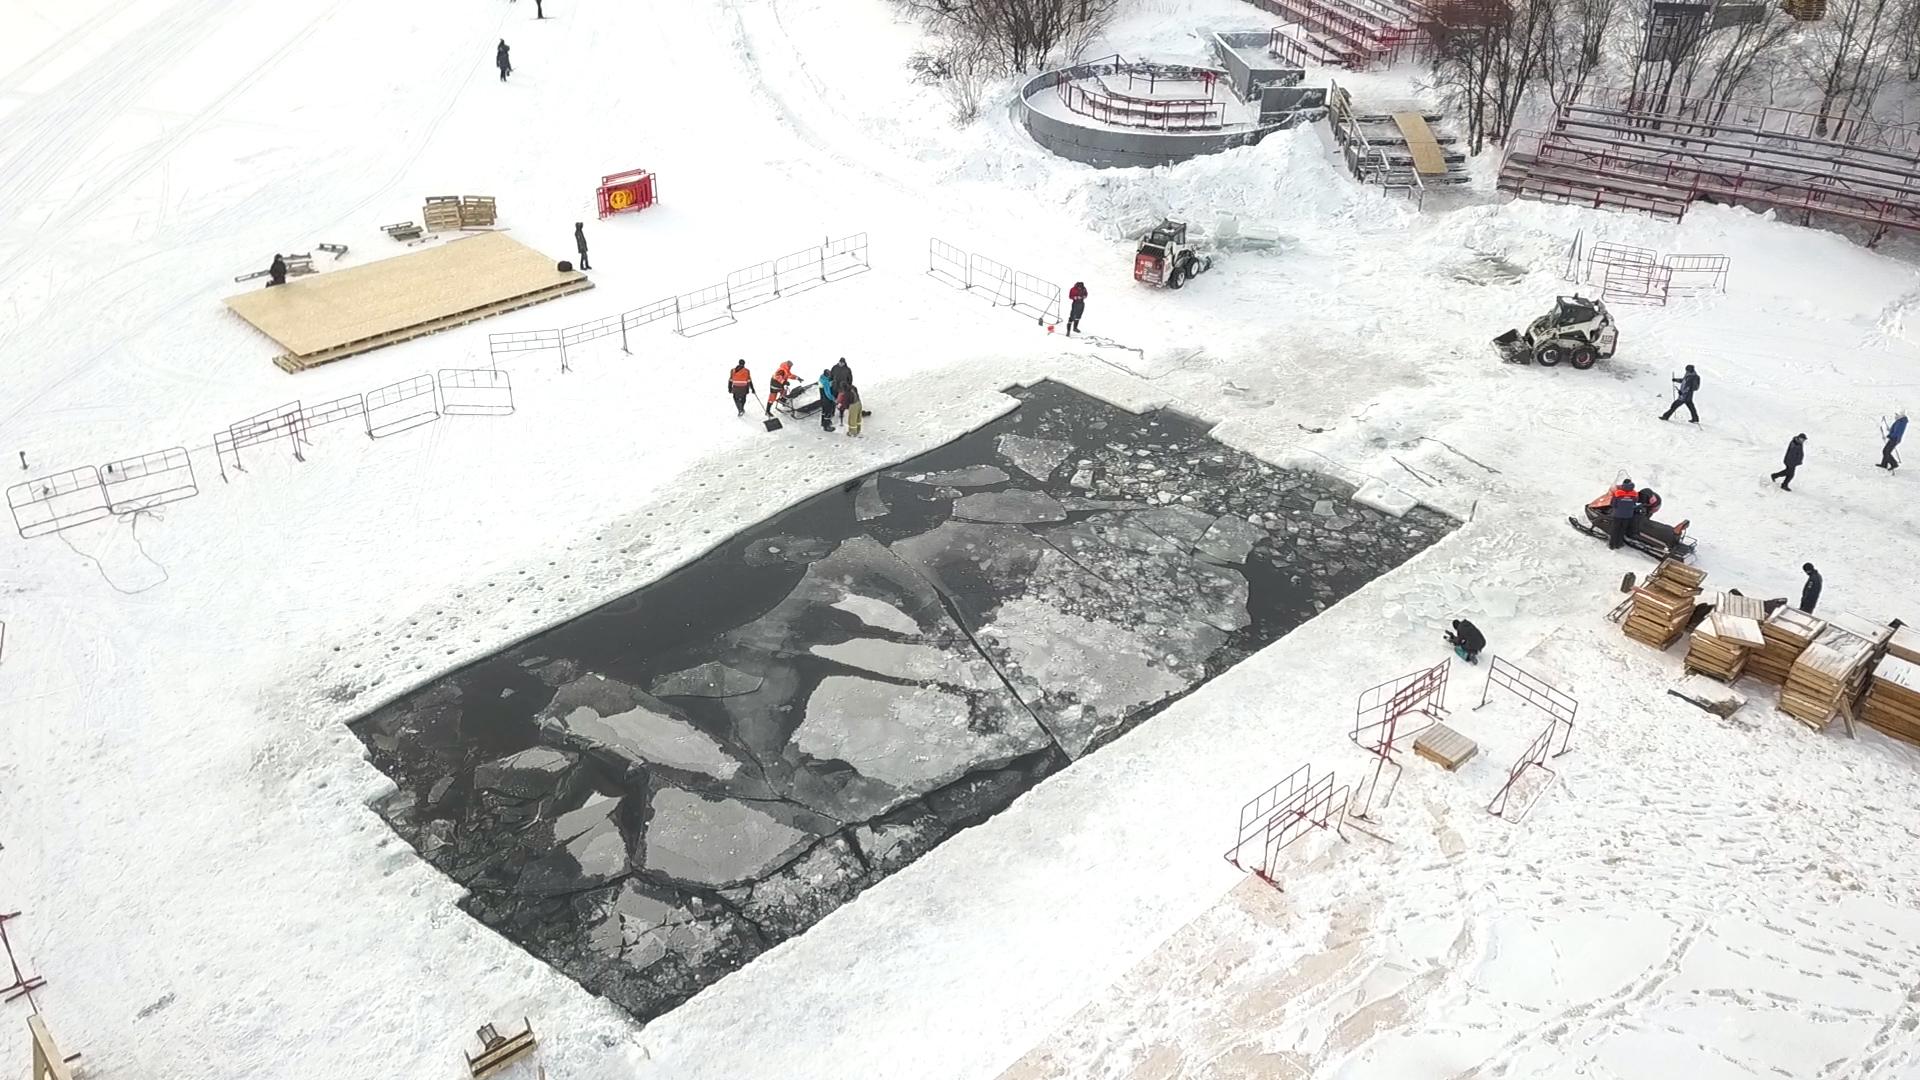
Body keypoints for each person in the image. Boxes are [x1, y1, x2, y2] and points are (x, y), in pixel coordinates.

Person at [1606, 478, 1639, 550]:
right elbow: (1635, 503)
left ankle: (1612, 545)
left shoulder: (1617, 492)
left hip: (1617, 515)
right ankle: (1619, 544)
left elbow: (1613, 504)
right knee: (1622, 530)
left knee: (1615, 529)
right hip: (1628, 515)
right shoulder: (1635, 493)